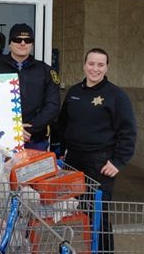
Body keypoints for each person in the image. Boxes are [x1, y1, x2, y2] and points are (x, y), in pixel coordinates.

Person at [58, 48, 137, 252]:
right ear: (84, 65)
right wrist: (62, 150)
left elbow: (128, 132)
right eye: (91, 64)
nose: (95, 69)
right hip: (73, 161)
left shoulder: (116, 95)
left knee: (98, 216)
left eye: (100, 65)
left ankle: (103, 251)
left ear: (107, 67)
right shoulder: (74, 92)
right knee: (79, 212)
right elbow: (63, 124)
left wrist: (118, 162)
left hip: (100, 163)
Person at [0, 23, 60, 151]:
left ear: (32, 44)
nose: (23, 43)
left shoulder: (45, 71)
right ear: (9, 43)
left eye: (28, 40)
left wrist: (29, 129)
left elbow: (52, 105)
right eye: (17, 39)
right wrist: (11, 128)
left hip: (34, 139)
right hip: (0, 139)